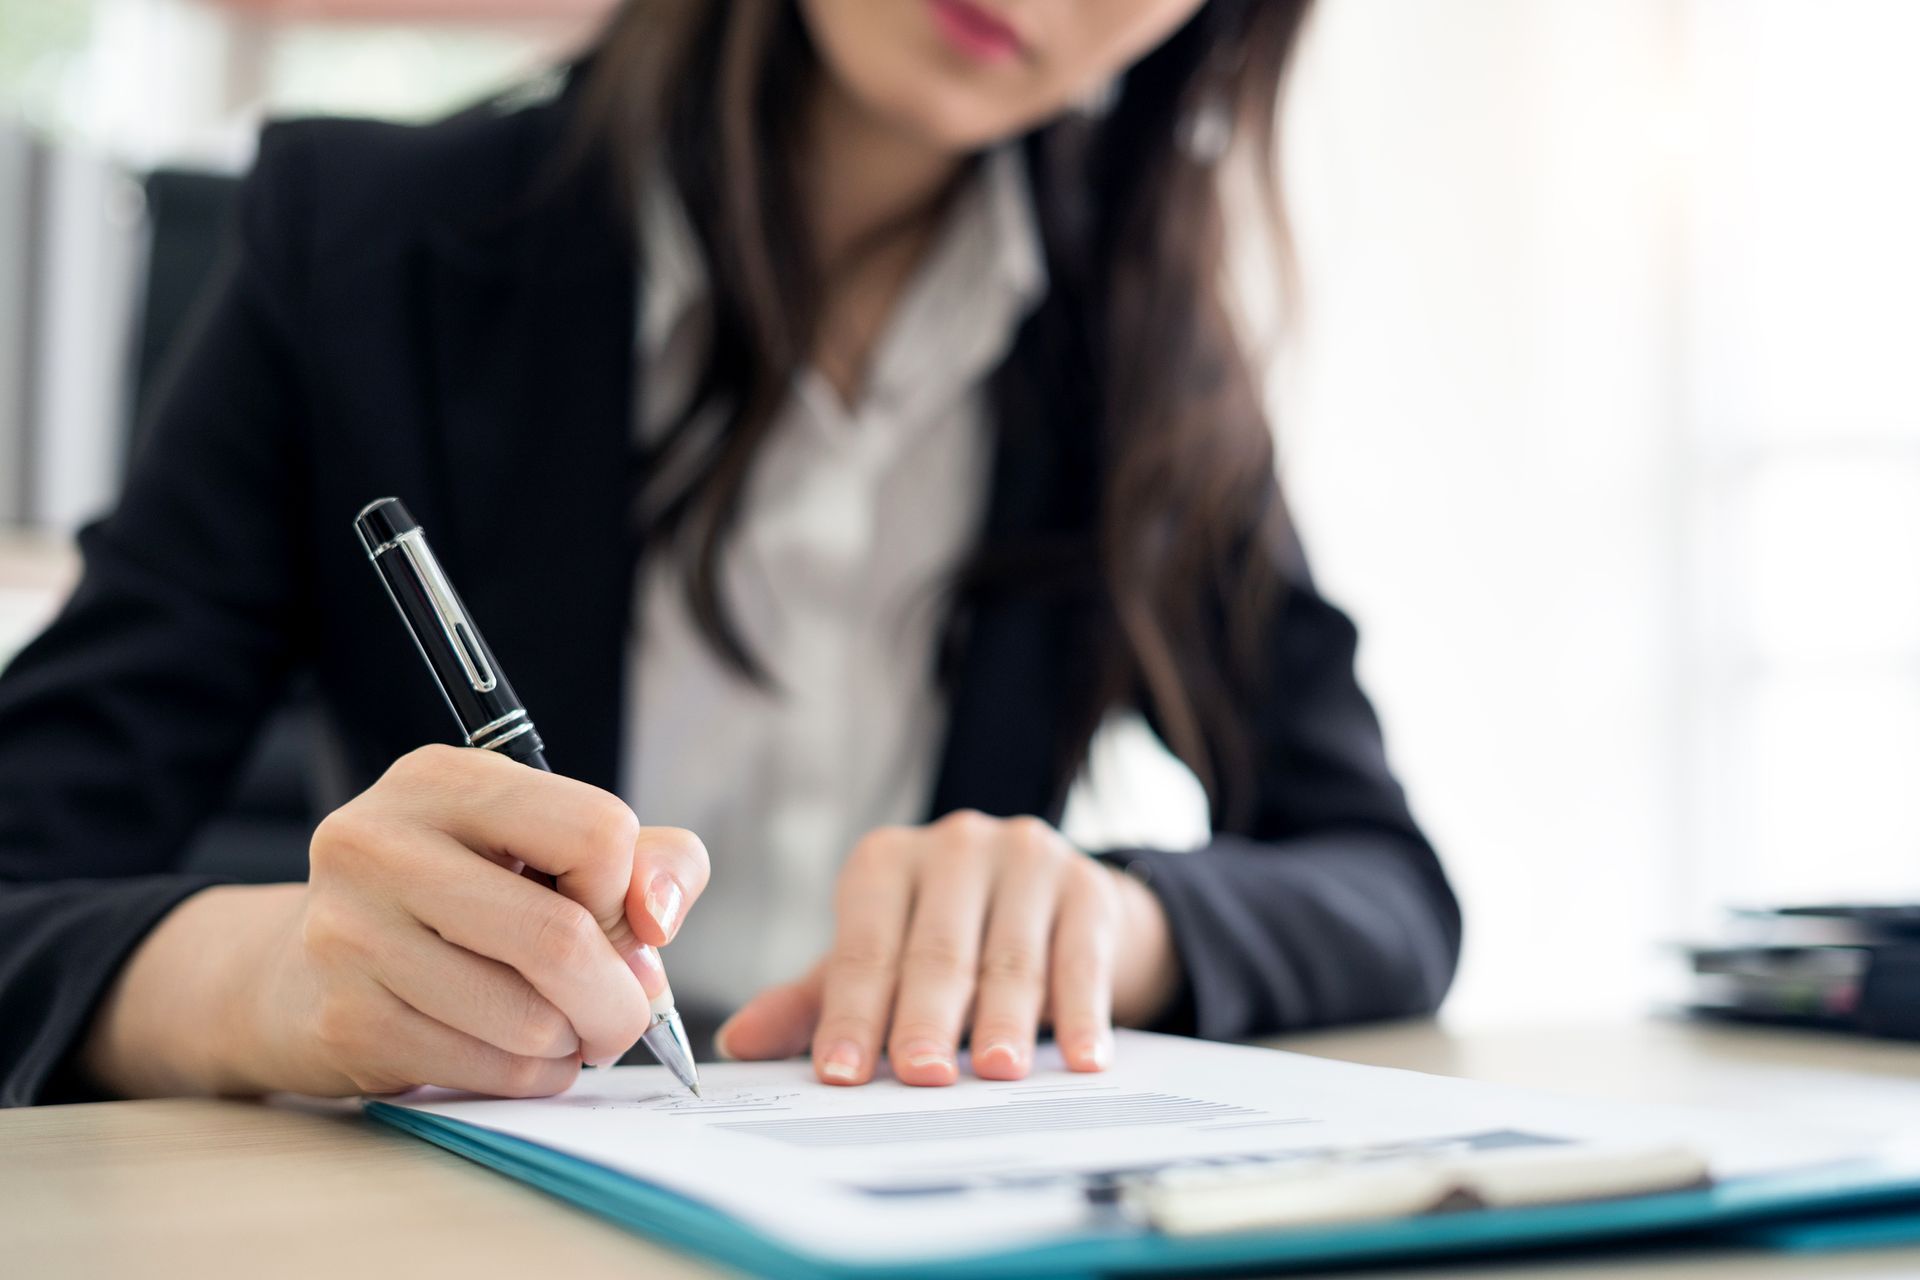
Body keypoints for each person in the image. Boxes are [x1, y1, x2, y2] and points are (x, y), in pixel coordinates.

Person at [0, 0, 1459, 1108]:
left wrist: (1113, 923)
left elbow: (1387, 884)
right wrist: (268, 980)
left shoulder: (1141, 354)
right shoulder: (362, 251)